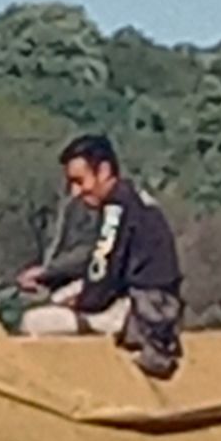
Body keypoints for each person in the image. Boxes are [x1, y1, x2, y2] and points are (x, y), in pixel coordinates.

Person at [17, 134, 183, 380]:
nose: (75, 192)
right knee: (62, 295)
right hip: (159, 307)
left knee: (34, 321)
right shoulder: (134, 199)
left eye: (78, 181)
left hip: (140, 313)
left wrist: (79, 301)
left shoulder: (116, 210)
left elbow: (102, 270)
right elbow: (100, 256)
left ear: (103, 170)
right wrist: (49, 274)